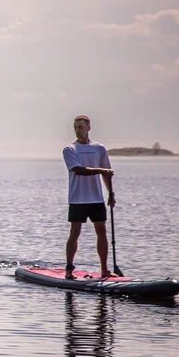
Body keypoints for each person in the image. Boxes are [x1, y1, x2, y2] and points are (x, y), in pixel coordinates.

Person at [62, 115, 115, 279]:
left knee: (102, 232)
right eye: (76, 127)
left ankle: (104, 269)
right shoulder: (69, 149)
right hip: (77, 199)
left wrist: (111, 194)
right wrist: (101, 171)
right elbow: (78, 170)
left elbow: (107, 173)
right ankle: (69, 270)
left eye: (81, 127)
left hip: (96, 199)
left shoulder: (99, 148)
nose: (78, 130)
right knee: (75, 233)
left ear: (88, 128)